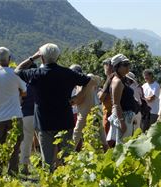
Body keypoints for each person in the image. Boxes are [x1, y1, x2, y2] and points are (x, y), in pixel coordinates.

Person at [15, 43, 96, 171]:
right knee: (67, 159)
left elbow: (18, 70)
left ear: (42, 58)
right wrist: (78, 96)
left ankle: (49, 185)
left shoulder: (36, 73)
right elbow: (90, 81)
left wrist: (33, 57)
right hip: (65, 120)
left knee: (47, 161)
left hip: (43, 122)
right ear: (58, 57)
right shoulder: (67, 73)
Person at [0, 47, 26, 175]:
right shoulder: (14, 74)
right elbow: (24, 91)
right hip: (15, 115)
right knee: (15, 146)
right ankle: (12, 172)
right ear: (9, 59)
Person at [107, 54, 138, 145]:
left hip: (127, 117)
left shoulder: (123, 79)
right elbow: (116, 103)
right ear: (117, 67)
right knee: (122, 146)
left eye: (128, 64)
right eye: (124, 65)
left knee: (126, 144)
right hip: (123, 117)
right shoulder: (117, 81)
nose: (127, 67)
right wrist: (121, 122)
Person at [71, 65, 101, 151]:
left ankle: (70, 155)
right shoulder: (79, 85)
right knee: (98, 135)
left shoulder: (85, 82)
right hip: (91, 113)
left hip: (85, 114)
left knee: (77, 135)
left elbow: (79, 99)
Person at [19, 63, 37, 174]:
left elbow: (20, 100)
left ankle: (25, 166)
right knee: (44, 142)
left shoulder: (23, 85)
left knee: (26, 141)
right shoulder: (40, 84)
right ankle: (47, 166)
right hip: (41, 115)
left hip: (26, 114)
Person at [98, 58, 115, 139]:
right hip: (116, 112)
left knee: (107, 138)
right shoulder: (118, 78)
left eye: (105, 67)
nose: (104, 69)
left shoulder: (109, 79)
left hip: (109, 112)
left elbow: (101, 98)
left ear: (109, 66)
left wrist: (99, 93)